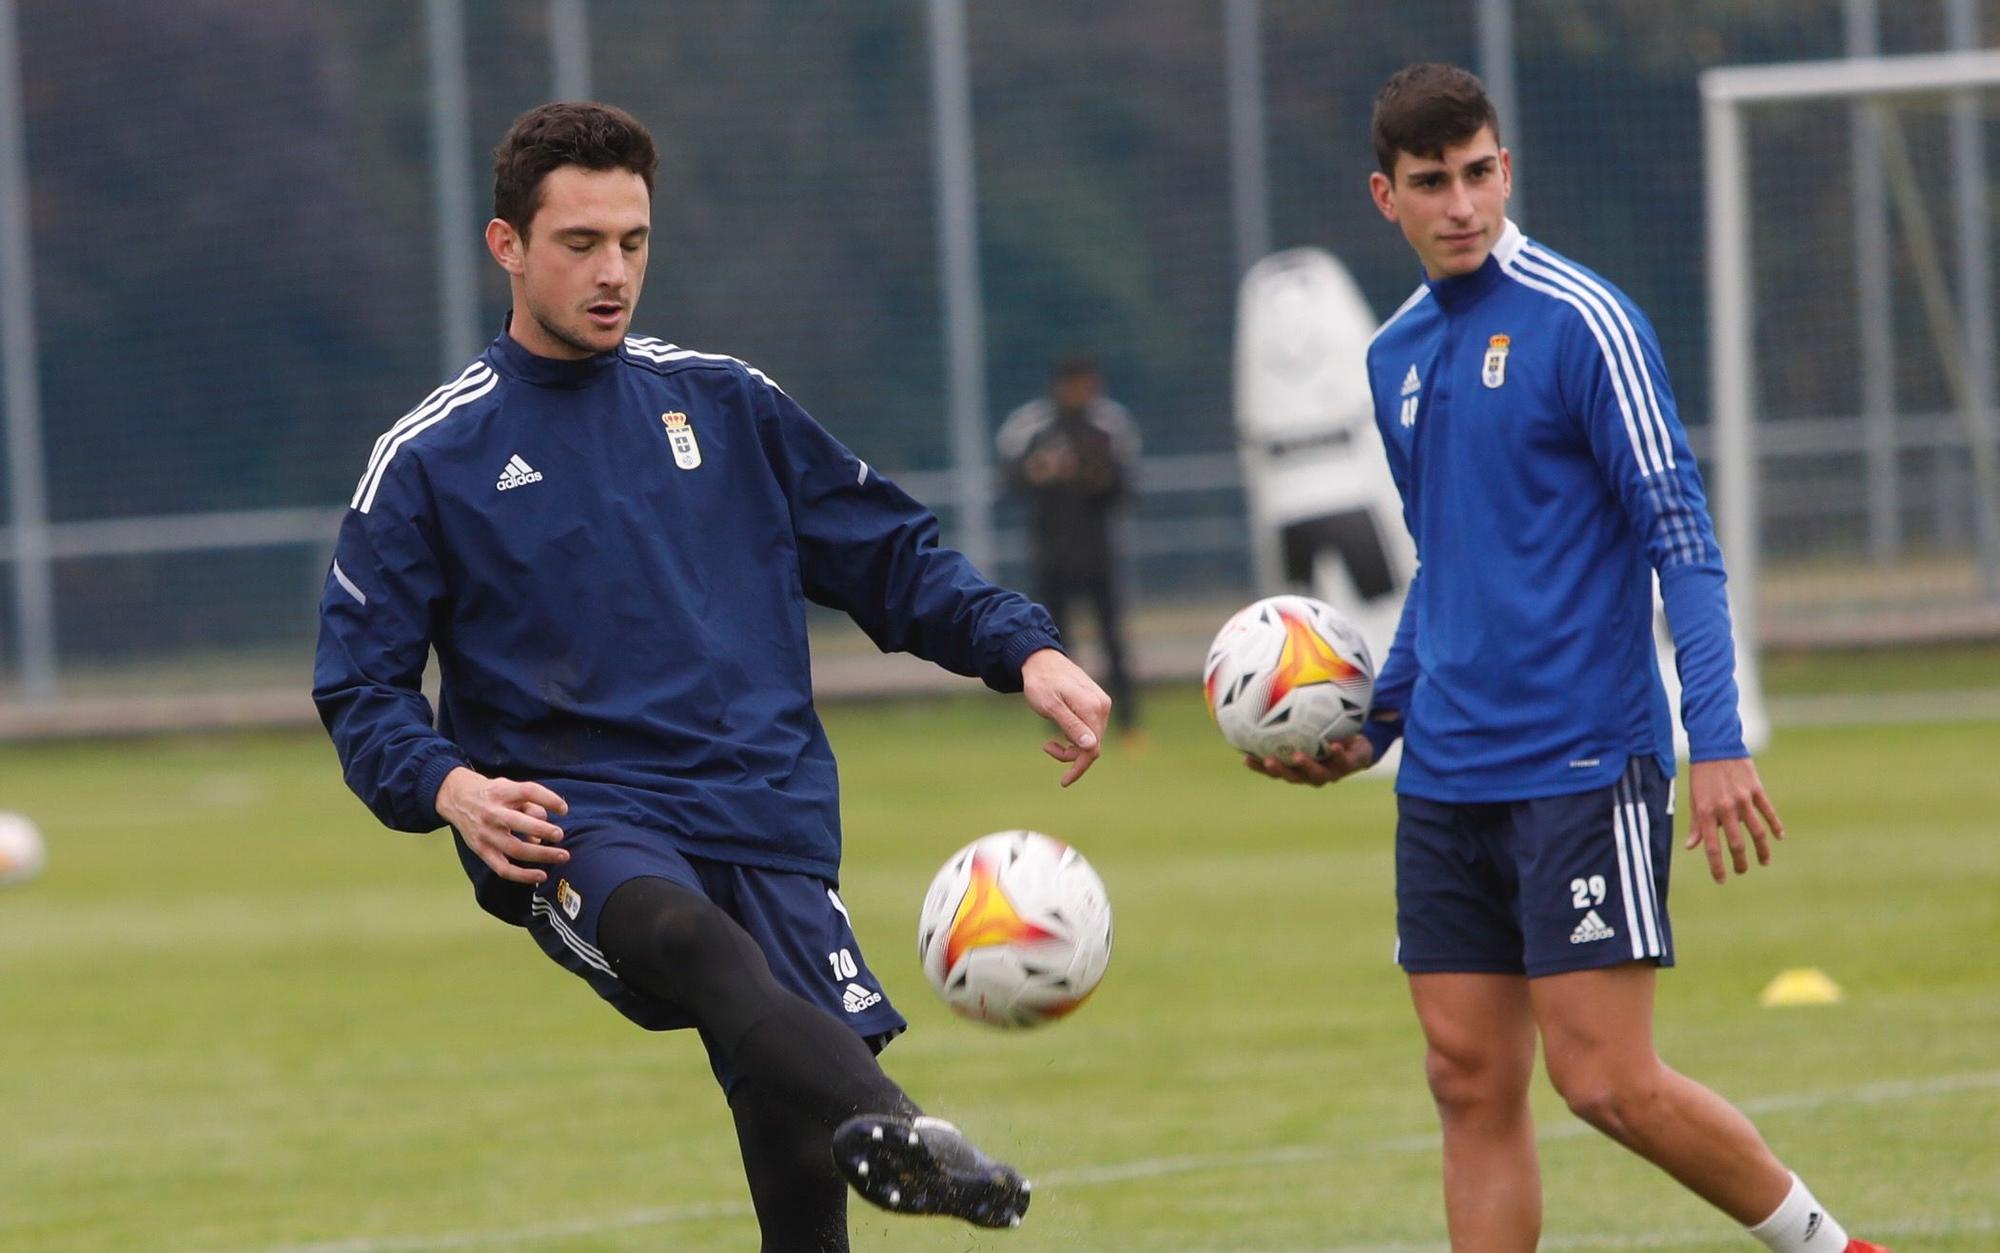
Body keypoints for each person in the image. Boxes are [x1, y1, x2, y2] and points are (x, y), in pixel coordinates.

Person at [313, 101, 1111, 1251]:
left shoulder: (724, 402)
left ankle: (865, 1140)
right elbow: (359, 686)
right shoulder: (433, 456)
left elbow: (888, 555)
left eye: (632, 241)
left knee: (789, 1131)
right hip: (577, 817)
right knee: (692, 946)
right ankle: (911, 1134)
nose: (612, 271)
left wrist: (1021, 645)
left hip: (764, 804)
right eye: (579, 243)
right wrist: (452, 787)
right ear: (507, 248)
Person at [1246, 65, 1888, 1253]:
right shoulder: (1391, 362)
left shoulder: (1583, 322)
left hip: (1580, 759)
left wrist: (1719, 739)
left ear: (1505, 169)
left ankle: (1834, 1247)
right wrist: (1377, 725)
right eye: (1430, 183)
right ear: (1384, 196)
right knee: (1463, 1076)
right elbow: (1448, 564)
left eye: (1478, 173)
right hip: (1445, 774)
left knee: (1604, 1082)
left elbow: (1680, 541)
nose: (1461, 205)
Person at [996, 356, 1143, 736]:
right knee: (1053, 642)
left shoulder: (1109, 425)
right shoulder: (1032, 426)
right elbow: (1009, 482)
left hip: (1098, 551)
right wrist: (1040, 474)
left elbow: (1125, 486)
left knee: (1113, 640)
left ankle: (1128, 724)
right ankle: (1061, 722)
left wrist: (1094, 478)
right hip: (1051, 552)